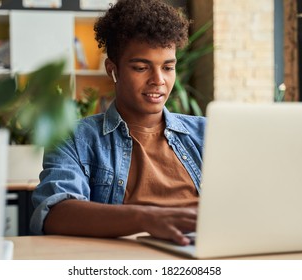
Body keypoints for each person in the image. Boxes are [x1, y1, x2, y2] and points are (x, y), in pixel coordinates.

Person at [30, 0, 206, 246]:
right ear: (113, 69)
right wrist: (147, 217)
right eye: (141, 67)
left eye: (168, 67)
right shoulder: (75, 137)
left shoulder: (206, 133)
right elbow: (55, 212)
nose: (159, 80)